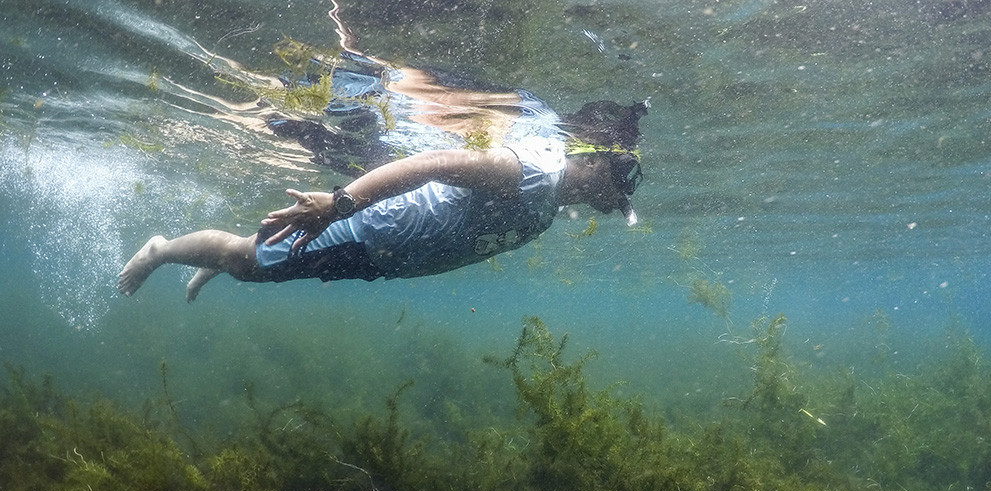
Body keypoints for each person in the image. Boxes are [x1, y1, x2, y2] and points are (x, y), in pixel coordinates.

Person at [117, 99, 647, 302]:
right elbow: (431, 162)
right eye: (621, 178)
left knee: (250, 262)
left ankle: (231, 260)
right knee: (243, 261)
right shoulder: (527, 171)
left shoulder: (552, 198)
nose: (619, 195)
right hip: (368, 229)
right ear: (596, 158)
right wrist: (339, 204)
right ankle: (163, 250)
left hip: (382, 257)